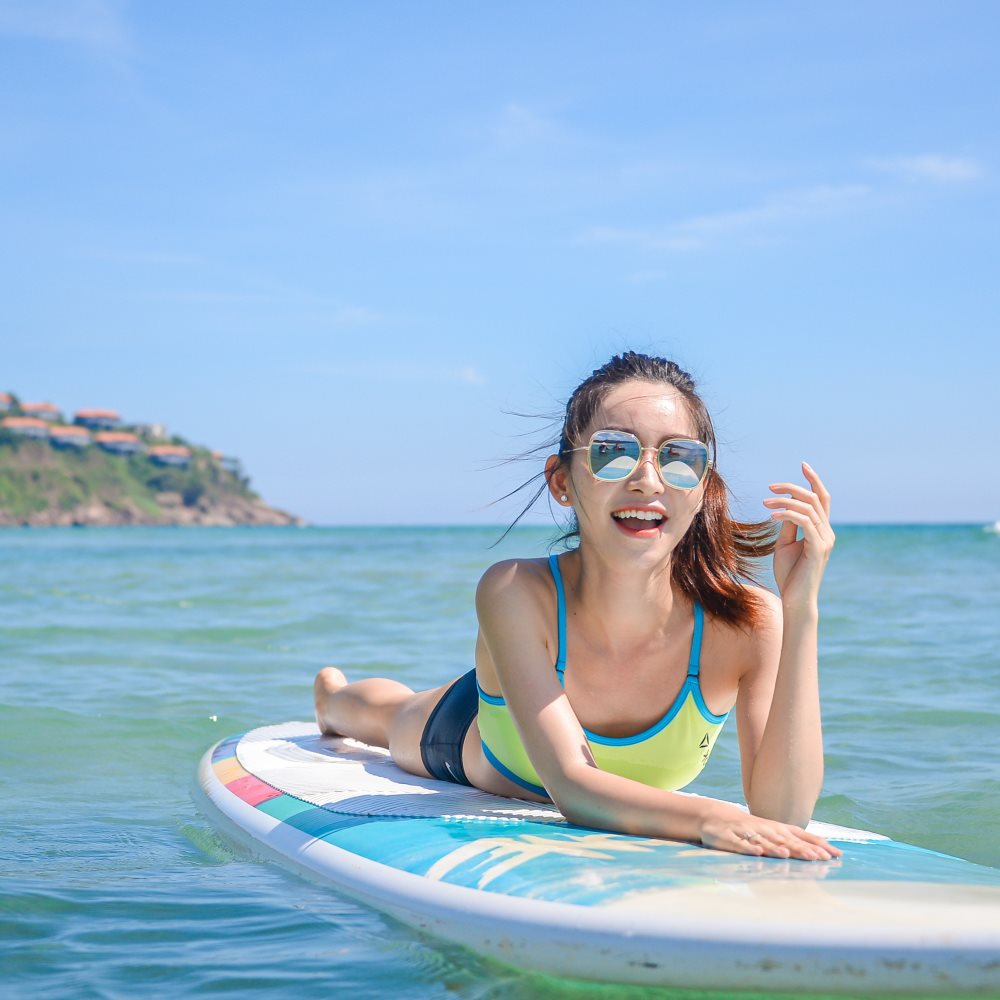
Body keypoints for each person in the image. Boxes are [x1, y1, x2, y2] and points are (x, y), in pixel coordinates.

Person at [315, 351, 841, 861]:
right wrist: (708, 819)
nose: (648, 480)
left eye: (681, 458)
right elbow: (571, 786)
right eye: (613, 451)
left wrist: (801, 611)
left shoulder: (748, 623)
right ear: (562, 481)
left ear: (703, 488)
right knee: (386, 716)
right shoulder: (515, 590)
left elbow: (783, 812)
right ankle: (332, 699)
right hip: (466, 738)